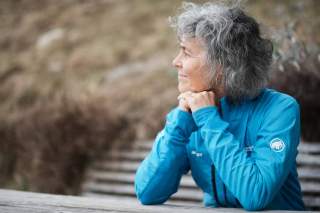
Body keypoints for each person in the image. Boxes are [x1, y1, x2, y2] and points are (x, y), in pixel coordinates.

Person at [134, 1, 305, 211]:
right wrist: (178, 126)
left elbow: (255, 195)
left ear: (222, 65)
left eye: (186, 52)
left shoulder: (280, 110)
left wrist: (208, 118)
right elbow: (147, 192)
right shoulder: (189, 112)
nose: (175, 62)